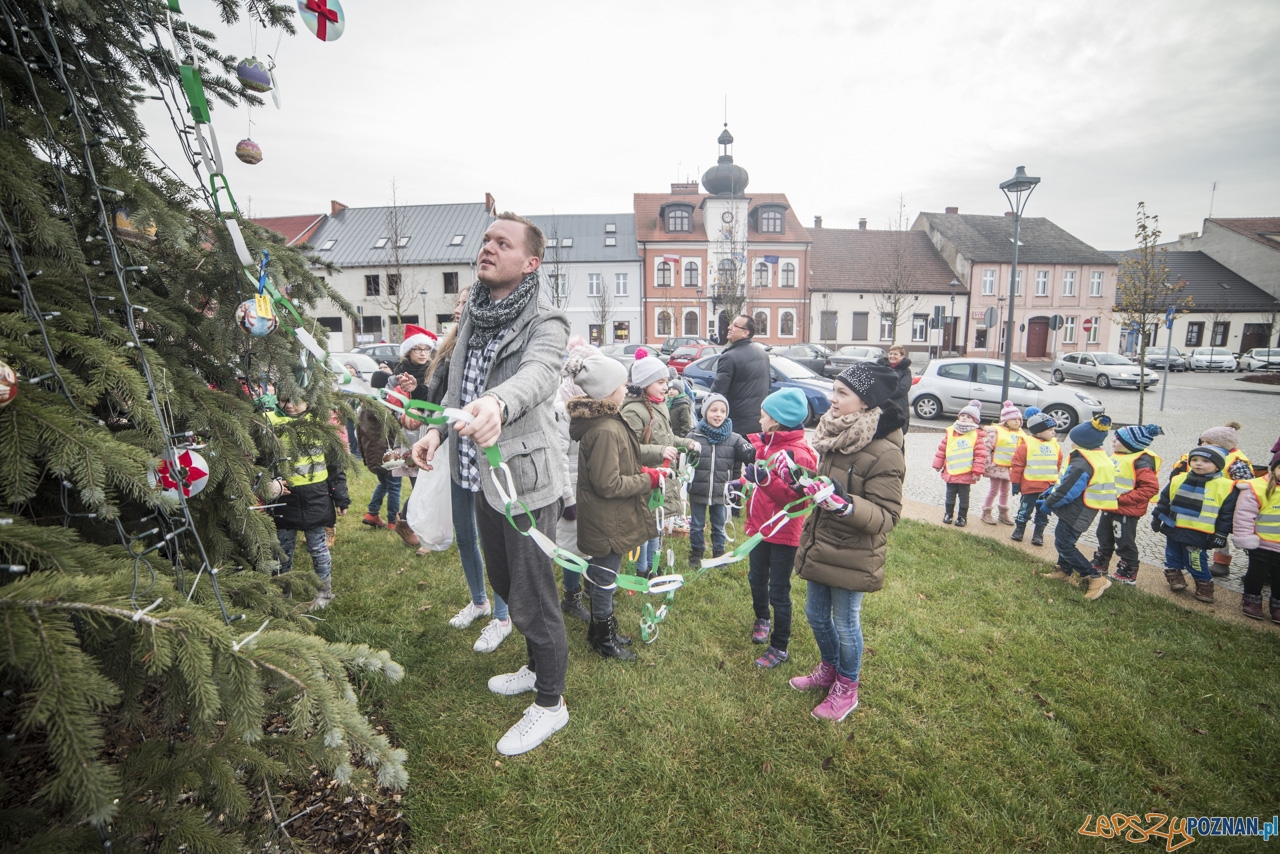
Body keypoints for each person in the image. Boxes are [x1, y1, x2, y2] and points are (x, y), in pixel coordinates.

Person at [411, 213, 571, 757]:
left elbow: (540, 374)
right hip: (477, 475)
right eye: (485, 239)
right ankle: (531, 667)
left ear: (530, 262)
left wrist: (499, 403)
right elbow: (459, 388)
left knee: (534, 596)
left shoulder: (547, 320)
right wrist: (436, 431)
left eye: (503, 243)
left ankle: (551, 704)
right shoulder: (474, 314)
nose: (488, 248)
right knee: (505, 584)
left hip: (523, 480)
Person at [790, 362, 905, 721]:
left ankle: (847, 687)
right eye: (833, 390)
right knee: (814, 615)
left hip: (854, 552)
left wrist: (843, 505)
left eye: (842, 393)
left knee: (845, 622)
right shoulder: (837, 435)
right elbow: (830, 483)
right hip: (823, 543)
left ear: (866, 403)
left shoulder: (885, 452)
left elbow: (887, 516)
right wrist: (800, 478)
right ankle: (830, 667)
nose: (832, 400)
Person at [423, 289, 512, 653]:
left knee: (497, 543)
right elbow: (448, 398)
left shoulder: (498, 343)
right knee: (465, 536)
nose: (459, 309)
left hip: (491, 460)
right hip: (459, 457)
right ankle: (479, 602)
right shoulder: (454, 348)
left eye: (465, 303)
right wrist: (434, 431)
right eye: (457, 304)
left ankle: (503, 617)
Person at [566, 353, 665, 661]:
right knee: (605, 579)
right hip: (607, 519)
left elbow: (626, 457)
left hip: (609, 516)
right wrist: (648, 481)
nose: (627, 389)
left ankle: (599, 630)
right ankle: (604, 639)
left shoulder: (609, 420)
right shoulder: (606, 428)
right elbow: (608, 484)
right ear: (608, 391)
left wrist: (648, 466)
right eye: (623, 385)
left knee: (602, 576)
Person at [736, 388, 817, 669]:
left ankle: (780, 646)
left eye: (763, 416)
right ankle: (762, 618)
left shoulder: (799, 456)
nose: (759, 422)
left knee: (778, 591)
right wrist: (743, 484)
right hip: (760, 529)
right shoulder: (767, 446)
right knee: (756, 579)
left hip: (784, 534)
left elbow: (795, 501)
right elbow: (757, 480)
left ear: (778, 420)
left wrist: (764, 480)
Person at [266, 396, 350, 609]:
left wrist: (341, 497)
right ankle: (283, 591)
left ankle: (325, 592)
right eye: (286, 399)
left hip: (316, 498)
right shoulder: (269, 422)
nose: (291, 405)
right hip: (284, 498)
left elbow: (334, 465)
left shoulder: (320, 424)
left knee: (318, 548)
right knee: (282, 549)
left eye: (298, 400)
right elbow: (262, 461)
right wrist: (268, 484)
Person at [620, 356, 689, 577]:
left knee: (656, 525)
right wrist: (659, 452)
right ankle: (642, 570)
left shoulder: (660, 406)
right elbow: (628, 449)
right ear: (644, 384)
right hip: (644, 478)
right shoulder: (634, 411)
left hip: (660, 479)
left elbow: (667, 439)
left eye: (666, 381)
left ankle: (652, 565)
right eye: (659, 382)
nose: (666, 387)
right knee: (645, 528)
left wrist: (687, 443)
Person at [1039, 416, 1117, 601]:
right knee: (1064, 540)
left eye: (1073, 439)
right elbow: (1067, 482)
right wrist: (1053, 489)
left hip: (1077, 511)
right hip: (1084, 509)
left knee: (1064, 543)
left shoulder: (1083, 463)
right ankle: (1064, 571)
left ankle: (1094, 578)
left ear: (1083, 443)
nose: (1071, 442)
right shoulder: (1096, 456)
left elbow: (1068, 490)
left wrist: (1049, 503)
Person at [1152, 444, 1238, 603]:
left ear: (1218, 465)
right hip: (1174, 527)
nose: (1199, 463)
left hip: (1199, 532)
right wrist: (1157, 517)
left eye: (1206, 461)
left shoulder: (1225, 487)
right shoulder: (1178, 479)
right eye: (1195, 459)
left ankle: (1204, 584)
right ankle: (1175, 576)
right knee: (1172, 554)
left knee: (1196, 559)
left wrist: (1220, 534)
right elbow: (1165, 500)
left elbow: (1227, 515)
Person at [685, 393, 754, 567]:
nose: (718, 414)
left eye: (723, 411)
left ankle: (718, 553)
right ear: (705, 412)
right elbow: (683, 456)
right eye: (714, 410)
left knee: (719, 524)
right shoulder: (694, 436)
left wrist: (752, 453)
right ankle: (696, 553)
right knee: (697, 524)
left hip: (721, 491)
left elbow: (750, 455)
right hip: (698, 489)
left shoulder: (734, 439)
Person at [553, 338, 594, 623]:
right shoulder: (562, 409)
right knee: (570, 545)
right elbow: (559, 456)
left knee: (592, 541)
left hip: (593, 488)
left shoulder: (596, 405)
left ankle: (593, 584)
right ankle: (571, 594)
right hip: (572, 488)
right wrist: (567, 499)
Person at [1092, 424, 1164, 585]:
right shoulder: (1120, 455)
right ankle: (1101, 563)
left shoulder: (1141, 462)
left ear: (1130, 444)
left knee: (1124, 541)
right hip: (1110, 506)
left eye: (1117, 439)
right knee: (1104, 535)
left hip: (1125, 510)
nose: (1113, 441)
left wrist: (1122, 499)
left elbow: (1150, 488)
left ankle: (1128, 570)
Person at [388, 323, 438, 550]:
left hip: (432, 432)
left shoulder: (436, 370)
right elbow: (390, 404)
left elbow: (436, 399)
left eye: (426, 349)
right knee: (420, 486)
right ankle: (413, 526)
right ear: (409, 351)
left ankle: (411, 523)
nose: (422, 353)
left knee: (430, 486)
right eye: (417, 349)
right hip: (410, 436)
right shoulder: (398, 374)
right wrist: (400, 408)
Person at [1234, 450, 1280, 622]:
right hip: (1260, 543)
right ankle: (1251, 599)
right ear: (1273, 468)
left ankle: (1277, 604)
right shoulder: (1257, 487)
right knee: (1256, 573)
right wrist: (1245, 537)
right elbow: (1244, 515)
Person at [710, 315, 771, 436]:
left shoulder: (729, 357)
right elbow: (768, 388)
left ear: (745, 333)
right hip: (758, 424)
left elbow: (717, 394)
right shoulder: (763, 354)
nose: (729, 327)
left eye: (734, 325)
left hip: (735, 426)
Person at [357, 370, 402, 530]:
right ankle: (393, 521)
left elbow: (360, 433)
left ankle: (372, 513)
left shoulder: (366, 405)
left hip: (373, 455)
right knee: (394, 486)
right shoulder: (387, 406)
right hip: (387, 455)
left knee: (384, 484)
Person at [932, 400, 988, 527]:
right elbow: (942, 449)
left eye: (968, 417)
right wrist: (938, 463)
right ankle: (948, 513)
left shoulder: (976, 436)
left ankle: (962, 517)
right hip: (951, 471)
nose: (964, 418)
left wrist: (977, 471)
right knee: (950, 495)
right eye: (963, 415)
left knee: (964, 497)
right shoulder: (951, 432)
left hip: (966, 473)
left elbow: (980, 455)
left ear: (975, 421)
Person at [1009, 411, 1061, 546]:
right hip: (1030, 487)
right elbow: (1017, 466)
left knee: (1043, 512)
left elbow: (1059, 462)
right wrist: (1015, 483)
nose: (1054, 432)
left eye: (1053, 429)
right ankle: (1019, 529)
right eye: (1050, 430)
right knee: (1024, 509)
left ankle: (1038, 533)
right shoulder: (1026, 445)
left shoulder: (1054, 444)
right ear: (1039, 432)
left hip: (1047, 488)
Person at [979, 401, 1022, 526]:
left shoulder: (1020, 434)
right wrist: (986, 463)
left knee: (1005, 490)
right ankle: (986, 512)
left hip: (1010, 468)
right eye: (1013, 419)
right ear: (1005, 420)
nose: (1017, 422)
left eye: (1018, 419)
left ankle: (1003, 513)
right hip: (996, 467)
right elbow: (986, 448)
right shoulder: (996, 432)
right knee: (994, 490)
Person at [876, 343, 912, 437]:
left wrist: (883, 392)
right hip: (880, 406)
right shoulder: (881, 368)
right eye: (890, 353)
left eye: (895, 354)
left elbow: (902, 389)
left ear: (902, 356)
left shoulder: (906, 371)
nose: (892, 356)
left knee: (897, 438)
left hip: (898, 407)